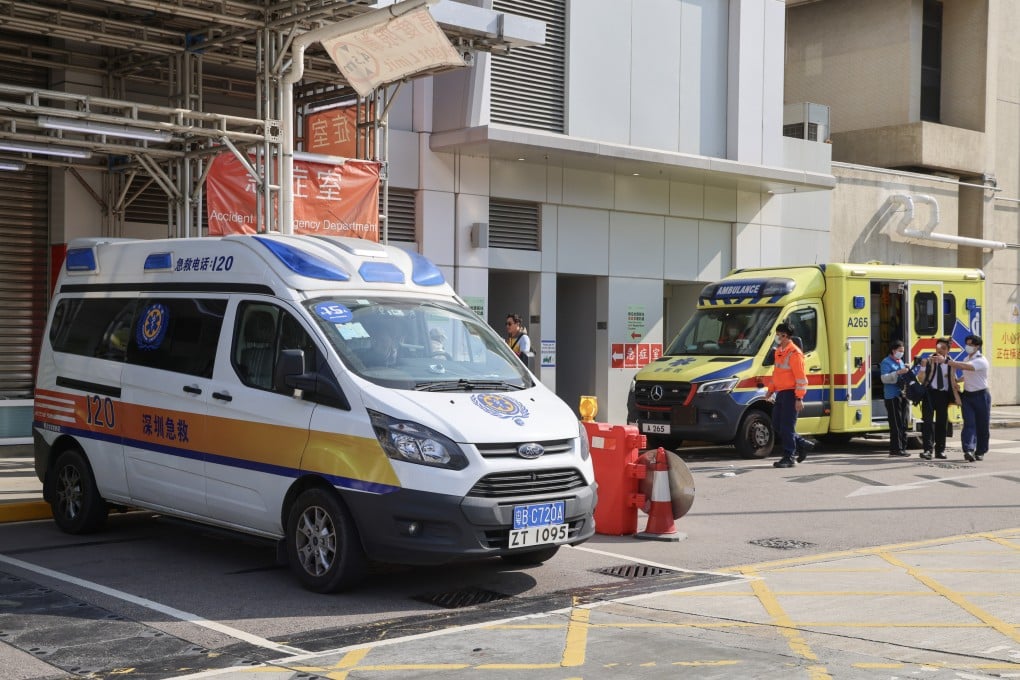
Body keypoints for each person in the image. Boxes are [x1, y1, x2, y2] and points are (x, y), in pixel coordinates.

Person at [767, 323, 809, 468]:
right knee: (777, 424)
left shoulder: (795, 353)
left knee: (786, 427)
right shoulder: (779, 351)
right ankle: (801, 443)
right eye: (777, 334)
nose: (777, 337)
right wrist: (770, 389)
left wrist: (799, 398)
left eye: (780, 335)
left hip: (791, 394)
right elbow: (776, 373)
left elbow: (801, 378)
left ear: (786, 336)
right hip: (781, 393)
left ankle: (789, 457)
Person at [947, 334, 990, 462]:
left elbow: (968, 367)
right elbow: (967, 374)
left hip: (982, 395)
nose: (968, 347)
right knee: (969, 424)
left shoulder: (981, 360)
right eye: (967, 344)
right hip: (968, 396)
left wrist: (949, 362)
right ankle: (969, 450)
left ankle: (981, 451)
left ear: (977, 346)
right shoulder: (966, 358)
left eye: (971, 345)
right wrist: (957, 380)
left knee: (982, 425)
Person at [916, 337, 961, 460]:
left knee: (942, 423)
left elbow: (953, 379)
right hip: (930, 393)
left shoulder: (951, 363)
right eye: (938, 348)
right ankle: (927, 450)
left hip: (943, 395)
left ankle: (940, 450)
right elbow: (920, 378)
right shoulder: (929, 360)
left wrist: (957, 384)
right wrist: (923, 367)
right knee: (928, 423)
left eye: (943, 348)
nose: (940, 351)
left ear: (948, 350)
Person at [879, 339, 913, 457]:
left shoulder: (900, 361)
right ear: (893, 350)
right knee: (896, 423)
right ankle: (895, 449)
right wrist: (898, 373)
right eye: (899, 350)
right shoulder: (886, 362)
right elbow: (884, 378)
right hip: (892, 396)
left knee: (903, 422)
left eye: (903, 351)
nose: (901, 353)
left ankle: (903, 447)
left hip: (903, 395)